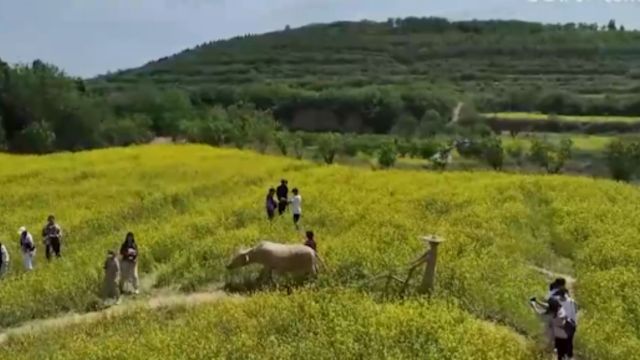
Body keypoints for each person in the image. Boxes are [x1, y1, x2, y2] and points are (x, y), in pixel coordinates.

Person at [556, 289, 578, 359]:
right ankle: (568, 356)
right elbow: (576, 310)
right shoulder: (572, 301)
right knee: (569, 341)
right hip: (572, 324)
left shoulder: (558, 302)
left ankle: (561, 355)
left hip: (563, 324)